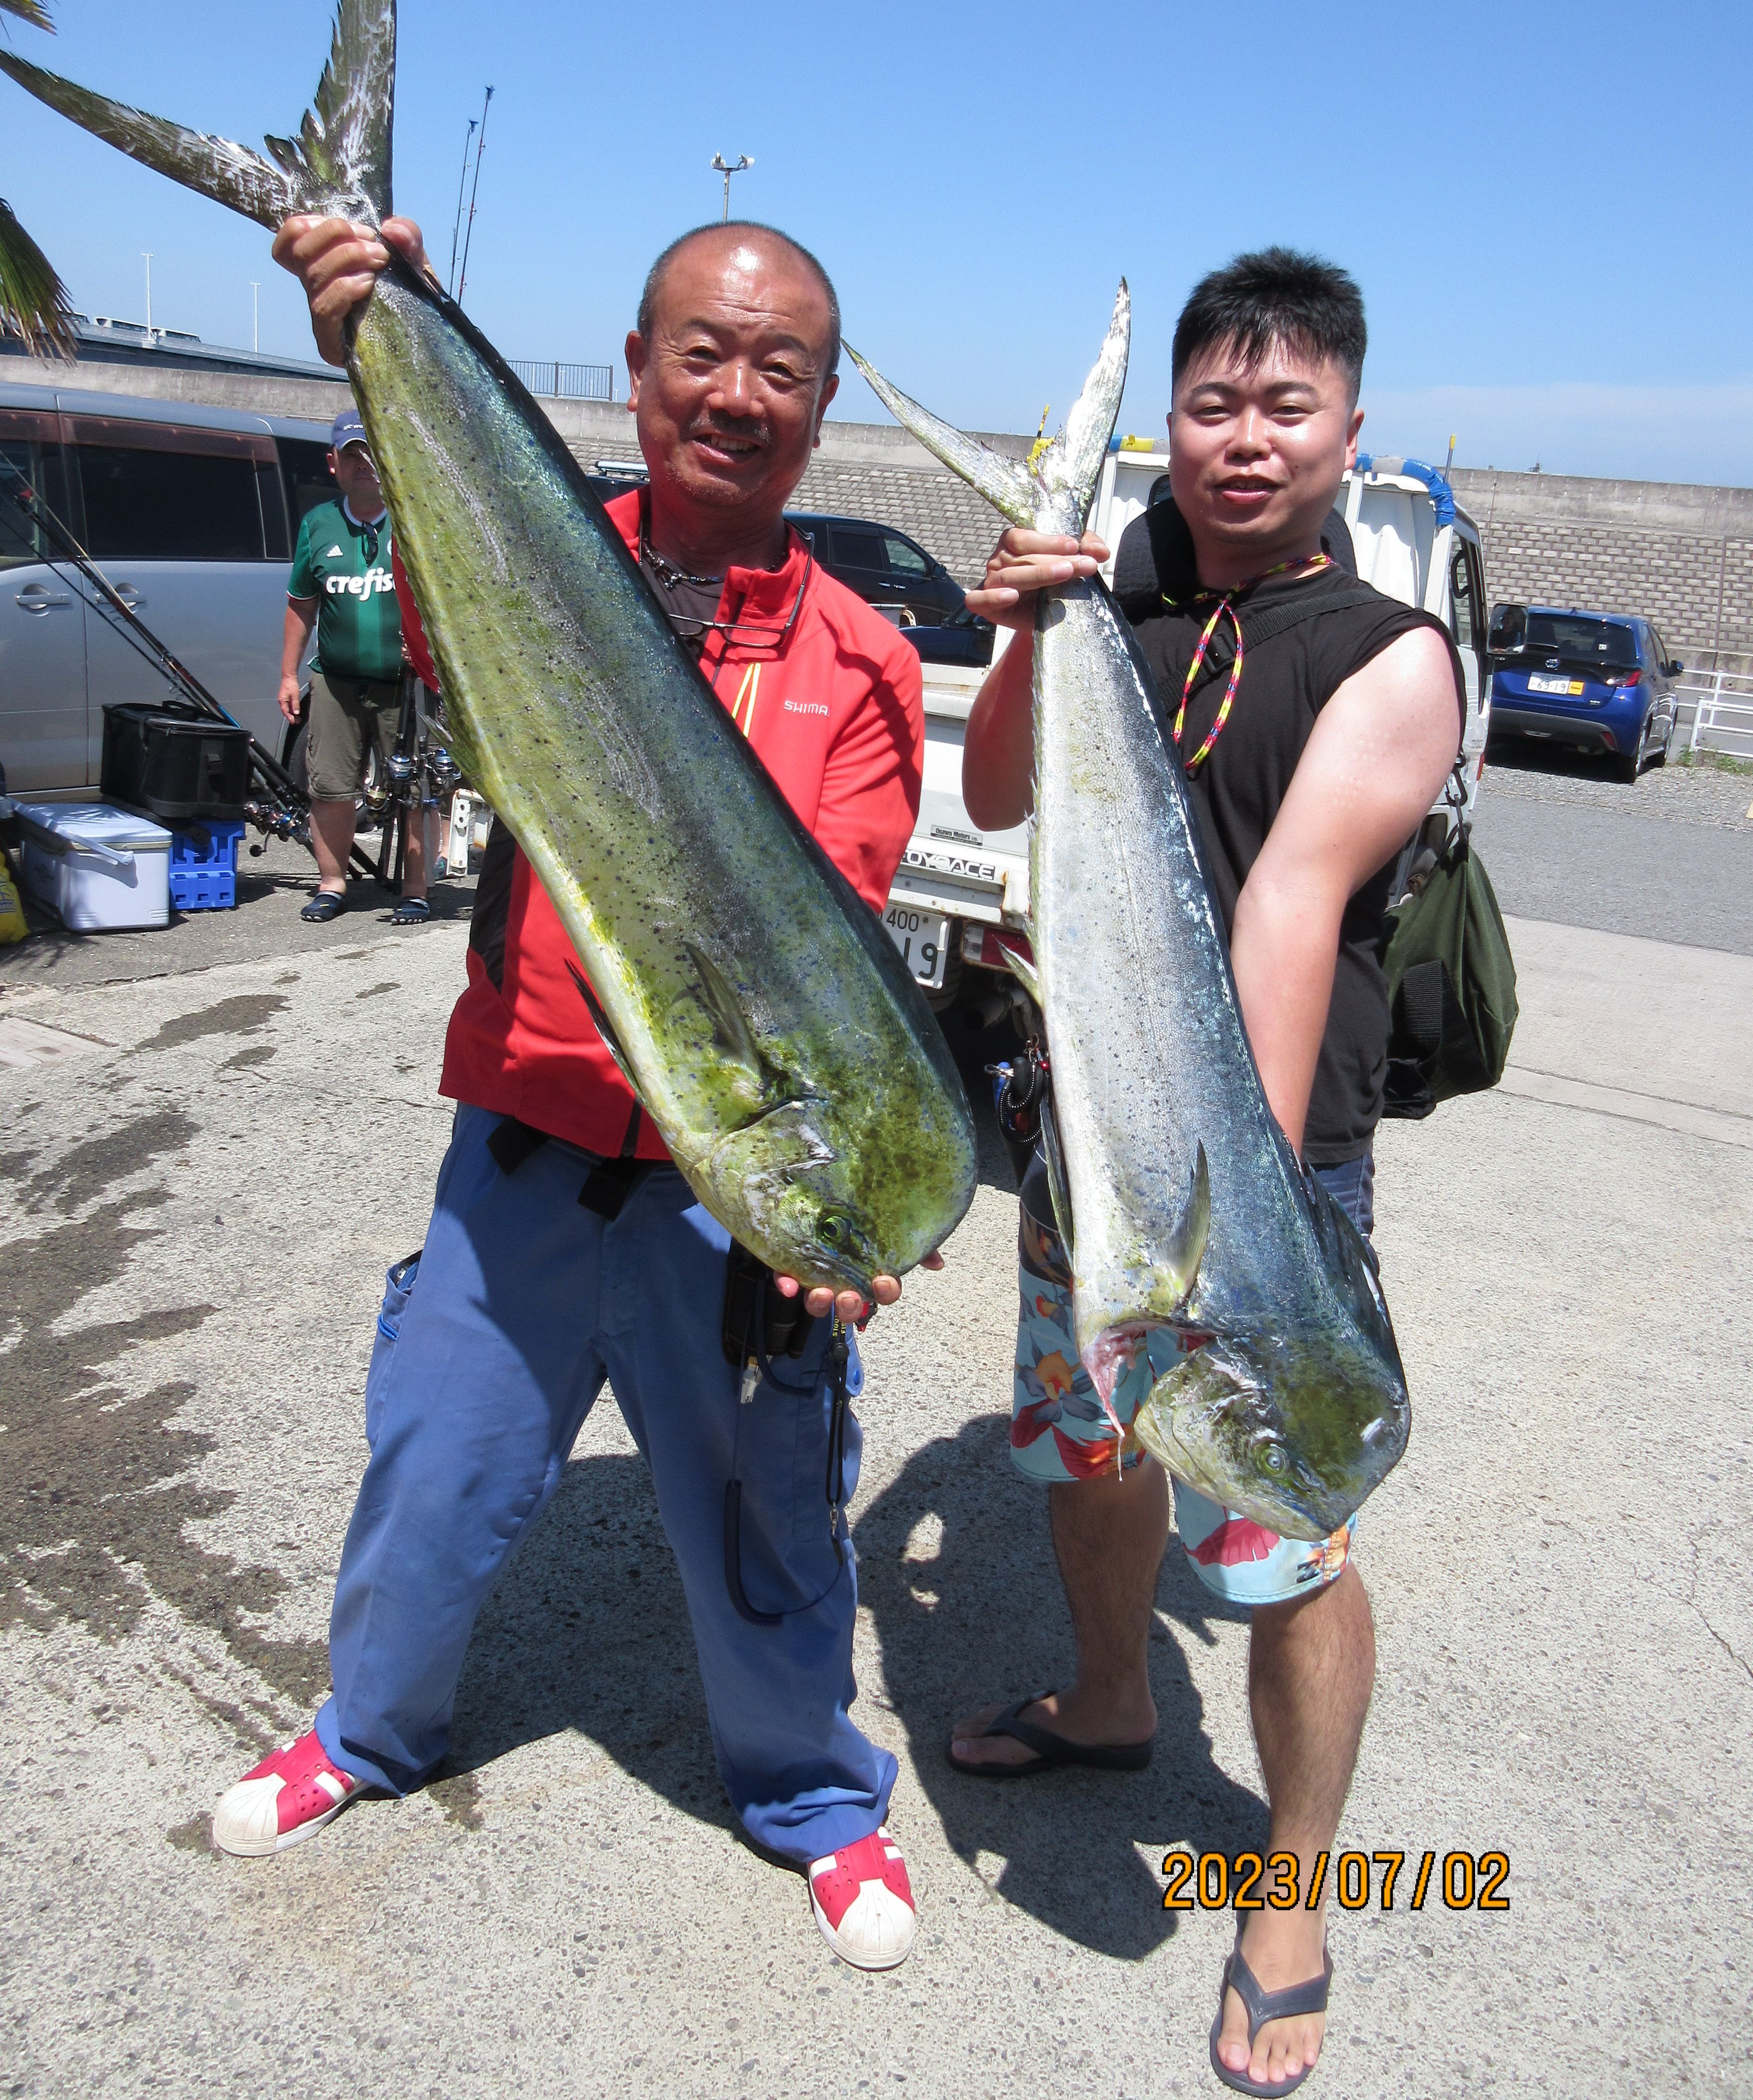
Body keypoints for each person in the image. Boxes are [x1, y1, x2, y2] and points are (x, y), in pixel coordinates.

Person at [216, 214, 934, 1974]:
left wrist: (849, 1215)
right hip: (521, 1160)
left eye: (780, 367)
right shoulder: (529, 552)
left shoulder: (863, 660)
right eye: (702, 351)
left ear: (821, 406)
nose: (736, 393)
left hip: (724, 1202)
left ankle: (813, 1794)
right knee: (433, 1473)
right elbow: (421, 613)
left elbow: (835, 965)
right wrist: (377, 327)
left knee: (772, 1513)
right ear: (634, 369)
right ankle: (368, 1729)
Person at [949, 250, 1464, 2093]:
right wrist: (1034, 619)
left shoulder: (1392, 656)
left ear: (1349, 431)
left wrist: (1228, 1233)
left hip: (1259, 1192)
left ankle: (1294, 1888)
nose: (1246, 439)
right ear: (1169, 424)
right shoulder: (1117, 606)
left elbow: (1285, 913)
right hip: (1083, 1151)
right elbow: (996, 797)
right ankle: (1109, 1696)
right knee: (1093, 1455)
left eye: (1286, 406)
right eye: (1213, 404)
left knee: (1281, 1539)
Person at [279, 408, 430, 924]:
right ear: (334, 465)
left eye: (372, 454)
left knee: (415, 790)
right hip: (336, 682)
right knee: (331, 788)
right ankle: (332, 884)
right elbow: (301, 604)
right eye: (352, 456)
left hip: (405, 683)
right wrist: (288, 674)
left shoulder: (415, 520)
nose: (363, 465)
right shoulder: (318, 525)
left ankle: (416, 891)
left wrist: (425, 651)